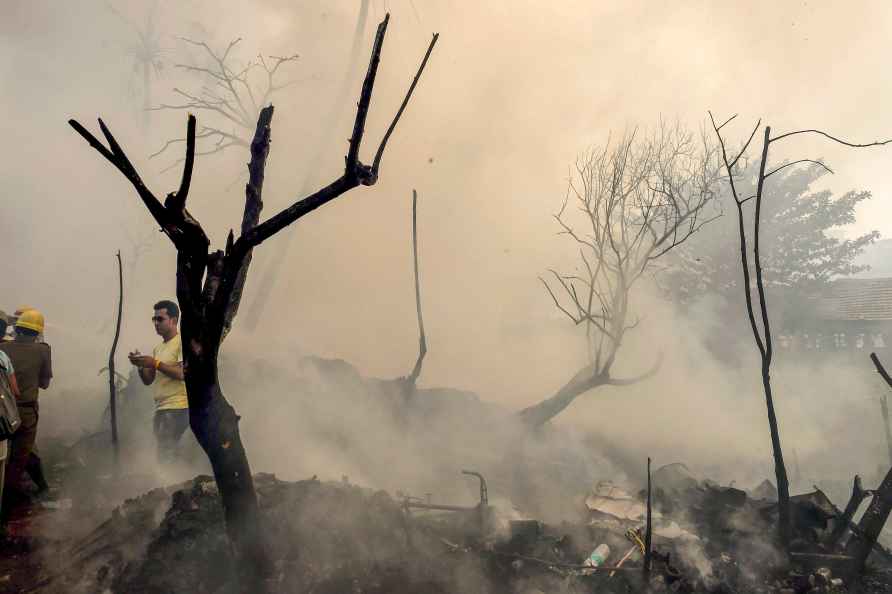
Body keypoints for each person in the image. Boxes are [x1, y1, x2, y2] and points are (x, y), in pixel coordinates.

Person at [0, 309, 52, 500]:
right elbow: (45, 384)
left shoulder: (3, 349)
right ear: (38, 332)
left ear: (17, 328)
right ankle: (7, 500)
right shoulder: (43, 350)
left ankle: (42, 486)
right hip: (26, 412)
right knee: (19, 458)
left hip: (4, 411)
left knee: (25, 452)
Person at [129, 300, 189, 462]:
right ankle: (168, 483)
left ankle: (170, 484)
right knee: (163, 451)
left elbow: (182, 374)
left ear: (174, 320)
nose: (156, 323)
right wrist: (141, 365)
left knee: (167, 453)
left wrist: (154, 363)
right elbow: (149, 380)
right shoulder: (159, 348)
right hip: (162, 408)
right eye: (154, 319)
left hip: (178, 407)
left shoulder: (181, 343)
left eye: (160, 319)